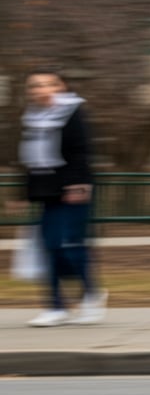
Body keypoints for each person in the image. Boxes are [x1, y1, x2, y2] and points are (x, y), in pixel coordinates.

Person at [18, 71, 108, 327]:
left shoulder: (72, 112)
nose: (41, 89)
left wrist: (78, 184)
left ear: (60, 87)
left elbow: (82, 151)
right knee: (49, 247)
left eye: (48, 84)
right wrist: (23, 195)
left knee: (69, 246)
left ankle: (92, 294)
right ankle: (55, 306)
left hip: (74, 188)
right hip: (45, 189)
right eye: (35, 85)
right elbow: (29, 160)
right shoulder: (32, 118)